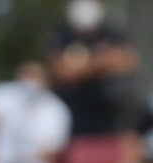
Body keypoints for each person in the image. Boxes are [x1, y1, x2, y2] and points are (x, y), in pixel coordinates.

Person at [46, 0, 138, 137]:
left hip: (108, 119)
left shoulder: (111, 33)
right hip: (73, 120)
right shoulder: (62, 35)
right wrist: (102, 63)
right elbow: (64, 72)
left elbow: (128, 62)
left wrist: (83, 65)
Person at [0, 63, 72, 163]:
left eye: (35, 77)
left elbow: (52, 153)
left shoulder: (56, 109)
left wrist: (19, 160)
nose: (30, 82)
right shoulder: (4, 96)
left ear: (46, 81)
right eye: (27, 76)